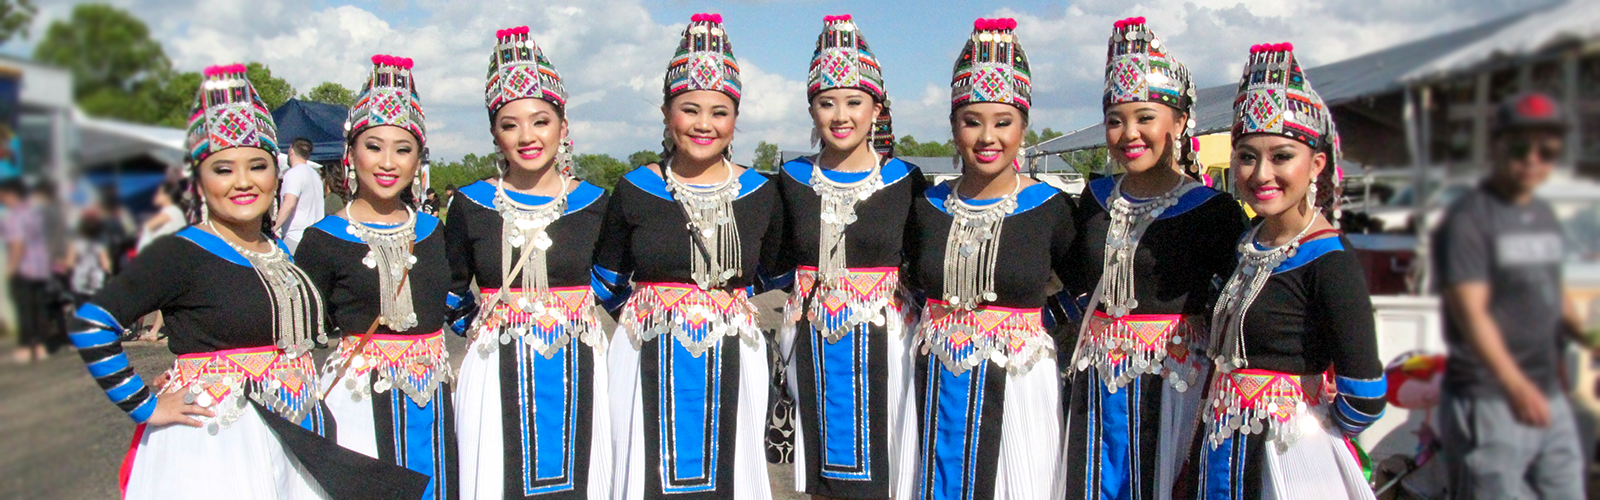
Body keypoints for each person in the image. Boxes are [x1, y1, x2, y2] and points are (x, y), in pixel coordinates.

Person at [65, 63, 339, 499]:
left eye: (257, 166)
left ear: (276, 173)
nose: (244, 182)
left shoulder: (277, 249)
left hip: (290, 435)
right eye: (224, 169)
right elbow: (90, 324)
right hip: (217, 445)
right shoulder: (179, 253)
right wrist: (145, 405)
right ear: (199, 179)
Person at [1177, 43, 1386, 500]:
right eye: (1247, 156)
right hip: (1224, 447)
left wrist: (1301, 420)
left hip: (1290, 460)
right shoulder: (1246, 244)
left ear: (1317, 164)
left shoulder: (1329, 260)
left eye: (1281, 156)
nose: (1261, 173)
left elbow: (1365, 397)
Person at [596, 13, 784, 499]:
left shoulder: (762, 192)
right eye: (689, 109)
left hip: (734, 353)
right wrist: (660, 312)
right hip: (645, 354)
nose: (704, 124)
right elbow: (608, 277)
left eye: (719, 112)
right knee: (644, 470)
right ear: (666, 113)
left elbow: (774, 269)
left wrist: (722, 307)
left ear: (735, 118)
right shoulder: (635, 188)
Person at [1061, 18, 1247, 500]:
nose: (1129, 133)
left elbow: (1239, 303)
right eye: (1116, 119)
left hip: (1174, 386)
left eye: (1145, 117)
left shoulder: (1214, 210)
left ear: (1180, 122)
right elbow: (1063, 276)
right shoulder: (1094, 198)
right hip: (1096, 386)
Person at [904, 18, 1071, 499]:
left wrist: (1032, 327)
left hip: (1019, 383)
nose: (987, 137)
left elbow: (1087, 288)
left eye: (1003, 122)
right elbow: (911, 279)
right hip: (936, 377)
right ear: (954, 128)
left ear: (1023, 127)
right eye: (971, 121)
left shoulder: (1051, 208)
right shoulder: (928, 207)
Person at [446, 27, 613, 499]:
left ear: (563, 126)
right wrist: (496, 330)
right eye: (509, 123)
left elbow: (615, 287)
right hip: (494, 372)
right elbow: (451, 294)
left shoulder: (597, 204)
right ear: (495, 134)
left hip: (580, 365)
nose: (527, 136)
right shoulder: (471, 204)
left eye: (540, 121)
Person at [773, 14, 924, 500]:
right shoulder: (791, 179)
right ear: (812, 109)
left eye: (854, 102)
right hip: (811, 337)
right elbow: (768, 255)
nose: (841, 115)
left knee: (887, 464)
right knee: (823, 473)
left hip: (888, 345)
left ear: (876, 108)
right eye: (826, 102)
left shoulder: (906, 179)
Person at [295, 54, 459, 500]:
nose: (388, 162)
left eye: (403, 149)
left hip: (431, 401)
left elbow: (458, 302)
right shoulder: (322, 239)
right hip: (357, 404)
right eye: (374, 146)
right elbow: (290, 332)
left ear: (418, 160)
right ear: (351, 153)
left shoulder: (433, 231)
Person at [1434, 90, 1588, 500]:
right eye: (1521, 146)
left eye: (1547, 149)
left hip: (1548, 395)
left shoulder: (1541, 215)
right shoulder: (1469, 218)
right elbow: (1471, 312)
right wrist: (1515, 385)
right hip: (1490, 397)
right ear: (1497, 146)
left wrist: (1588, 336)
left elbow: (1555, 291)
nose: (1533, 158)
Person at [2, 180, 51, 362]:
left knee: (25, 309)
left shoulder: (14, 216)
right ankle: (40, 347)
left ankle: (25, 348)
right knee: (39, 308)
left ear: (9, 195)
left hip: (24, 269)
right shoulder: (34, 213)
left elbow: (17, 244)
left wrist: (11, 268)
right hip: (40, 268)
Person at [276, 137, 326, 253]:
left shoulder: (294, 173)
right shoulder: (316, 176)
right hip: (314, 237)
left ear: (291, 151)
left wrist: (274, 227)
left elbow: (289, 203)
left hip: (295, 237)